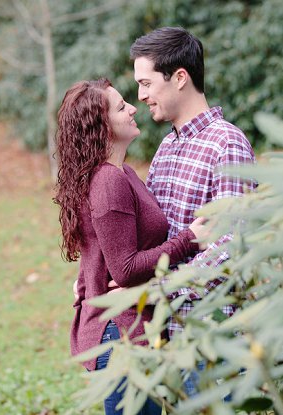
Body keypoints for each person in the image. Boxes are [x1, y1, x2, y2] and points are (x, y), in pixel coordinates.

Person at [54, 78, 211, 415]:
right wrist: (189, 239)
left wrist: (86, 284)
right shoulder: (109, 181)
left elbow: (104, 254)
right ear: (102, 125)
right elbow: (124, 270)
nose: (132, 108)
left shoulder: (120, 172)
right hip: (123, 338)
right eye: (121, 106)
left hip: (134, 330)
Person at [130, 26, 256, 396]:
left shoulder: (227, 144)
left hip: (212, 336)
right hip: (170, 336)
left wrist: (160, 291)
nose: (141, 95)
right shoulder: (166, 149)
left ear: (180, 78)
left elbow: (233, 248)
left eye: (147, 83)